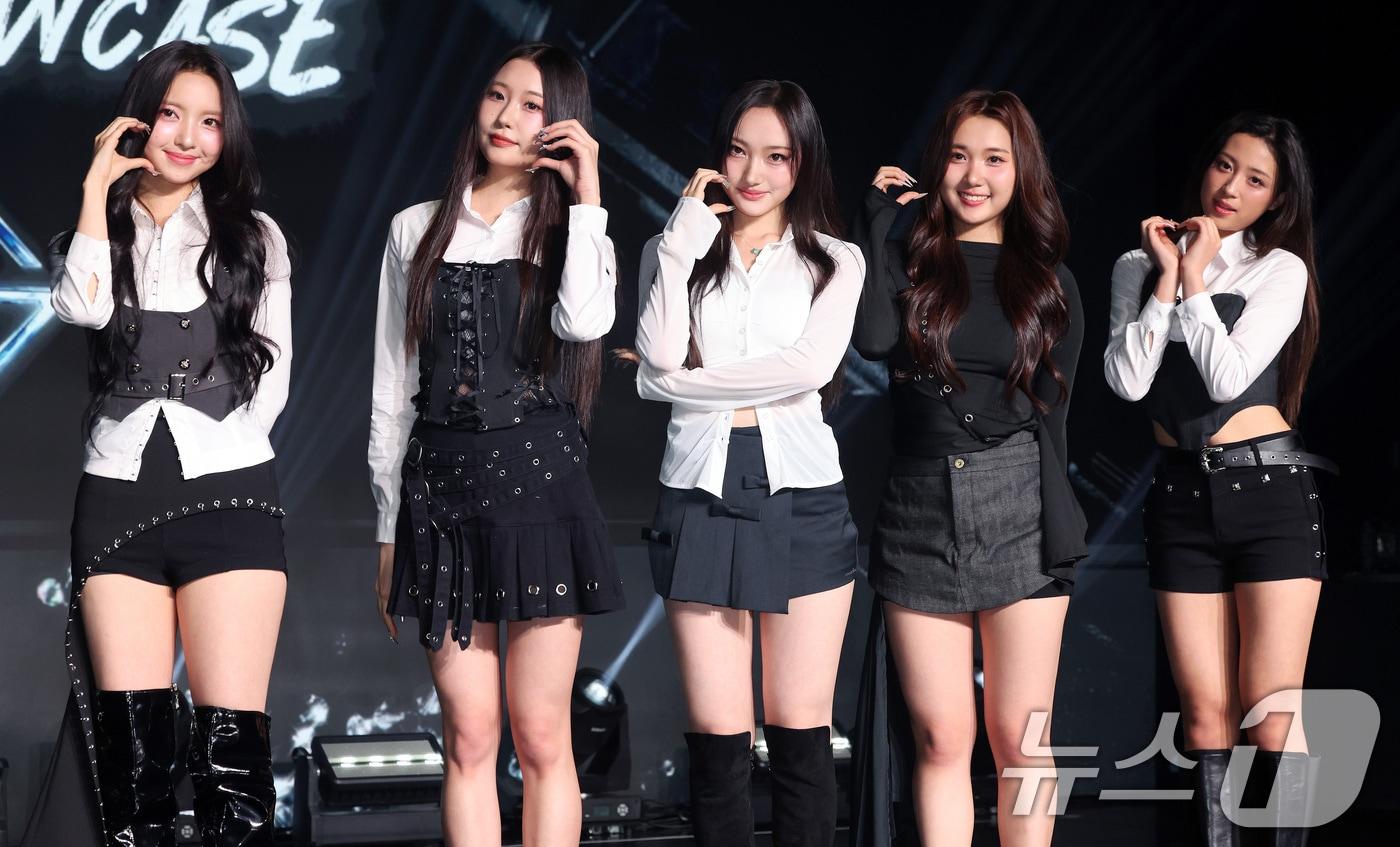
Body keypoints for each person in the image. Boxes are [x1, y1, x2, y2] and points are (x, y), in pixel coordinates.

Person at [27, 40, 292, 847]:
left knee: (233, 767)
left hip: (229, 497)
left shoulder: (254, 236)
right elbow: (81, 307)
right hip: (118, 500)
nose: (188, 136)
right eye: (172, 113)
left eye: (209, 121)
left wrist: (223, 448)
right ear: (139, 119)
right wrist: (95, 188)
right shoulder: (93, 232)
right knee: (133, 770)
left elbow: (274, 378)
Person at [368, 43, 624, 847]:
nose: (508, 117)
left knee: (542, 736)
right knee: (470, 736)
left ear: (564, 122)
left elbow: (585, 323)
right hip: (440, 495)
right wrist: (387, 528)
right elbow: (391, 386)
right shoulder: (416, 226)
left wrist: (587, 197)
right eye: (496, 95)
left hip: (541, 487)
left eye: (534, 105)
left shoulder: (567, 228)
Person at [851, 90, 1086, 847]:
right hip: (918, 508)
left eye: (994, 159)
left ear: (1022, 172)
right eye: (958, 156)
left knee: (1022, 737)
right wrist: (875, 225)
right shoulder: (907, 261)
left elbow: (1056, 418)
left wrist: (1060, 527)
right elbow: (874, 340)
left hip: (1020, 503)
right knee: (942, 736)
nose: (974, 175)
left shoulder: (1049, 281)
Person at [633, 79, 864, 846]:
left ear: (804, 162)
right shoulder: (673, 250)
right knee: (718, 743)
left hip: (803, 493)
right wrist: (680, 242)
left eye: (776, 156)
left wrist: (678, 384)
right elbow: (659, 352)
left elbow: (807, 368)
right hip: (698, 491)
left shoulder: (836, 259)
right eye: (738, 151)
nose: (753, 172)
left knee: (801, 736)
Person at [1104, 113, 1328, 846]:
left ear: (1277, 199)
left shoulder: (1279, 269)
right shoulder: (1137, 265)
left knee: (1272, 708)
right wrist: (1167, 278)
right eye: (1225, 166)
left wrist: (1196, 277)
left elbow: (1228, 378)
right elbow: (1128, 383)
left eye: (1255, 180)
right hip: (1180, 497)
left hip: (1269, 494)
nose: (1231, 187)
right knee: (1204, 715)